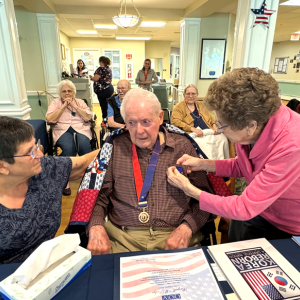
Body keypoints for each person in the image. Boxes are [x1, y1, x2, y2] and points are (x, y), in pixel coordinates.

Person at [167, 68, 300, 242]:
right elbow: (243, 165)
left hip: (288, 226)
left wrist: (190, 189)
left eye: (221, 126)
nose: (219, 129)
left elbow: (244, 207)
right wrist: (203, 164)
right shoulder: (252, 124)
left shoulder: (292, 144)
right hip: (259, 211)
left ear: (250, 126)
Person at [86, 88, 214, 255]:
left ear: (160, 117)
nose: (139, 131)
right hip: (123, 239)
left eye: (146, 121)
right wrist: (95, 226)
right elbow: (99, 196)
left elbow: (204, 198)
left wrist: (188, 227)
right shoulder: (114, 147)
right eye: (131, 122)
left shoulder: (183, 147)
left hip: (176, 237)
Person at [0, 116, 99, 264]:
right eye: (30, 152)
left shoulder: (45, 169)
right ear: (2, 166)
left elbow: (84, 163)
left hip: (47, 269)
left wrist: (120, 138)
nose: (40, 154)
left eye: (36, 146)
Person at [46, 79, 92, 195]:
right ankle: (65, 179)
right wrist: (63, 107)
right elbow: (50, 119)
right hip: (62, 129)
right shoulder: (55, 103)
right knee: (69, 148)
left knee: (84, 146)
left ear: (73, 92)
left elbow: (88, 117)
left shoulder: (80, 102)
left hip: (80, 128)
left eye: (69, 91)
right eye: (64, 91)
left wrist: (74, 106)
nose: (67, 93)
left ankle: (88, 177)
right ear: (60, 93)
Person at [171, 84, 229, 160]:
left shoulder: (201, 105)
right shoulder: (178, 107)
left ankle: (223, 163)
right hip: (194, 134)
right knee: (203, 144)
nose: (190, 96)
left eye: (193, 94)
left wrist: (214, 125)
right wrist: (193, 129)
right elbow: (175, 121)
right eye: (188, 93)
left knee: (222, 139)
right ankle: (208, 166)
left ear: (197, 95)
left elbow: (210, 116)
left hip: (208, 131)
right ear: (184, 95)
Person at [89, 56, 114, 121]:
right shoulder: (108, 69)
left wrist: (90, 77)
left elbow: (95, 79)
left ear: (101, 62)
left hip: (103, 90)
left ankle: (105, 120)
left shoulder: (100, 69)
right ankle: (110, 119)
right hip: (109, 89)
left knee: (103, 106)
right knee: (108, 105)